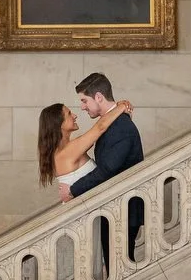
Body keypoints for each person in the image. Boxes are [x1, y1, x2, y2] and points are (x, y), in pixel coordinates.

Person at [58, 70, 145, 262]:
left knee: (118, 268)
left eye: (84, 101)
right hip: (114, 209)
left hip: (124, 210)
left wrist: (72, 190)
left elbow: (107, 170)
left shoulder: (121, 126)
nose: (82, 107)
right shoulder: (114, 122)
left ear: (98, 97)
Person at [37, 96, 135, 191]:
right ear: (59, 123)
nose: (75, 116)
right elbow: (100, 128)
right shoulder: (69, 151)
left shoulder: (66, 150)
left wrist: (116, 109)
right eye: (69, 114)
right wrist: (121, 107)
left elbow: (96, 132)